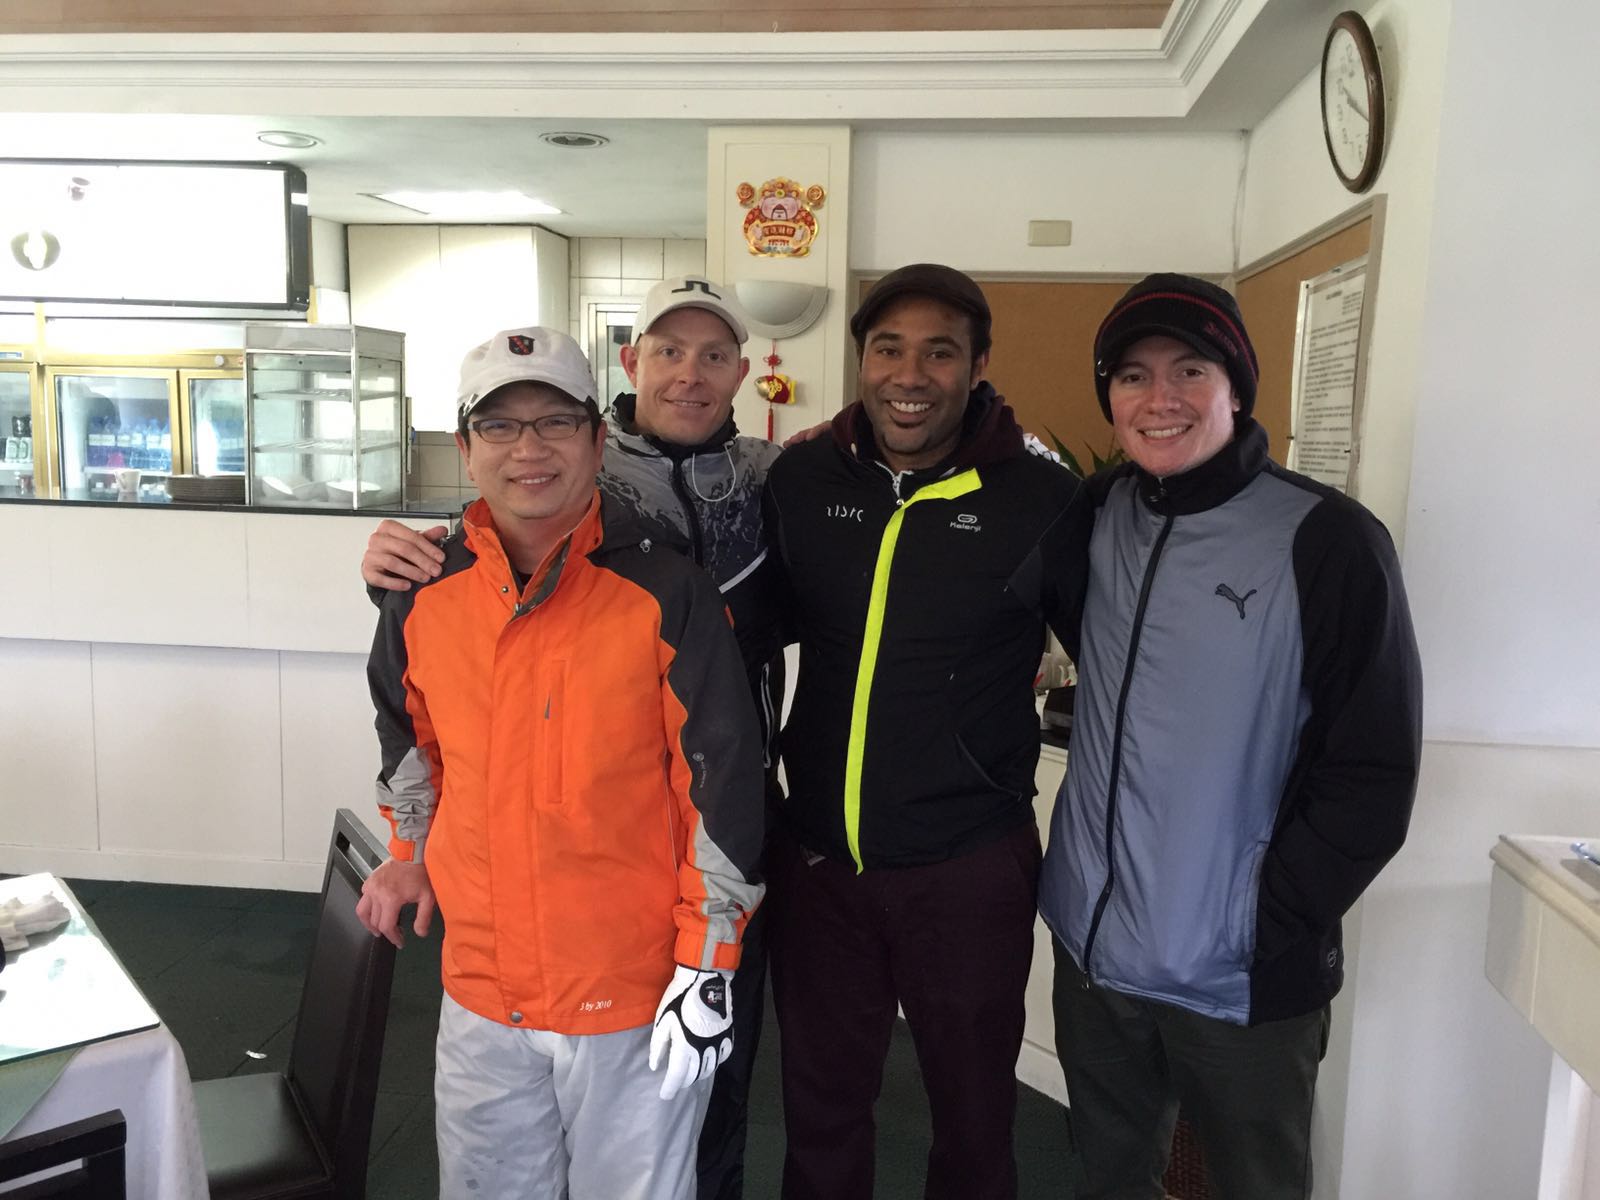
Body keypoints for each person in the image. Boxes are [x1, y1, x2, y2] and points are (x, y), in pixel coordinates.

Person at [359, 278, 782, 1200]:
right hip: (482, 987)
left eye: (555, 422)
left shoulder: (667, 593)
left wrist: (709, 957)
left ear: (597, 439)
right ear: (465, 447)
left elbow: (718, 784)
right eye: (500, 426)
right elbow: (410, 740)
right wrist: (410, 852)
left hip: (630, 989)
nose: (529, 449)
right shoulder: (422, 593)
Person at [1038, 274, 1423, 1199]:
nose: (1159, 399)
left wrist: (1262, 920)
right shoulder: (1097, 513)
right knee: (1110, 1181)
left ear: (1236, 388)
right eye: (1132, 376)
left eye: (1190, 370)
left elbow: (1373, 772)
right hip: (1096, 959)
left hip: (1238, 974)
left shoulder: (1327, 539)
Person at [760, 263, 1082, 1200]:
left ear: (977, 366)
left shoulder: (1043, 501)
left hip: (968, 867)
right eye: (888, 349)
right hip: (823, 864)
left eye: (939, 353)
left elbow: (1118, 657)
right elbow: (731, 616)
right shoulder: (803, 479)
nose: (910, 375)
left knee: (975, 1120)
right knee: (820, 1114)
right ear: (862, 360)